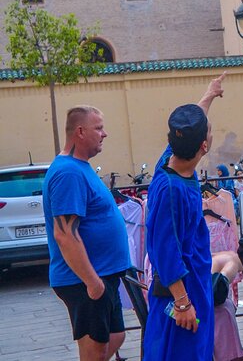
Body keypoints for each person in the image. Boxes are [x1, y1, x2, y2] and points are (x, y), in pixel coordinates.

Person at [144, 73, 226, 360]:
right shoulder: (171, 189)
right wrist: (182, 303)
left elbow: (192, 123)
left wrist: (209, 94)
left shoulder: (169, 161)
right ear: (204, 146)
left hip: (194, 285)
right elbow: (166, 251)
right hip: (183, 291)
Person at [43, 105, 131, 361]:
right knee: (94, 351)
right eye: (99, 128)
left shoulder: (80, 167)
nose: (105, 134)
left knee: (116, 337)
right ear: (80, 132)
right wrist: (93, 283)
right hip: (85, 281)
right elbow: (65, 235)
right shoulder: (68, 172)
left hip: (102, 277)